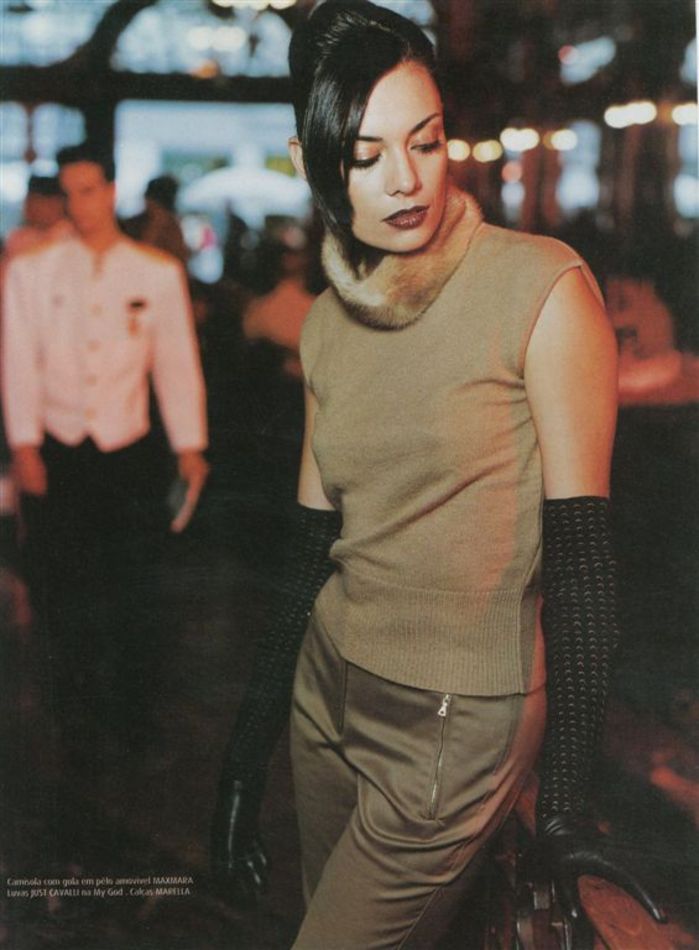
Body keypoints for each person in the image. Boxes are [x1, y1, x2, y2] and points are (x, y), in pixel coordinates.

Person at [212, 2, 665, 946]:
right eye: (365, 154)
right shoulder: (328, 321)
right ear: (312, 163)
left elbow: (582, 558)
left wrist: (564, 805)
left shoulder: (539, 286)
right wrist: (245, 756)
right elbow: (309, 551)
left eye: (424, 140)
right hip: (324, 693)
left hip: (454, 720)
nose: (405, 178)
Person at [1, 142, 208, 753]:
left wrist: (190, 445)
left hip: (129, 450)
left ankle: (134, 717)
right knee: (64, 590)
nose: (79, 204)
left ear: (113, 192)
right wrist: (25, 444)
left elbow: (176, 364)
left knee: (133, 587)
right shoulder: (32, 270)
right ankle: (76, 721)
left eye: (90, 190)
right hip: (59, 451)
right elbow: (18, 362)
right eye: (69, 193)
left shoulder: (155, 272)